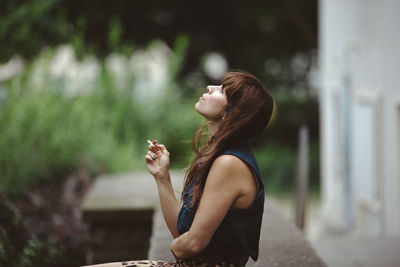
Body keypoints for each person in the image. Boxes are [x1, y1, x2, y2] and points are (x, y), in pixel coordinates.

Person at [83, 71, 274, 267]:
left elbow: (192, 244)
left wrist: (177, 248)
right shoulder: (220, 156)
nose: (210, 88)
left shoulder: (230, 163)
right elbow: (183, 233)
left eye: (222, 91)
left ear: (231, 113)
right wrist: (162, 177)